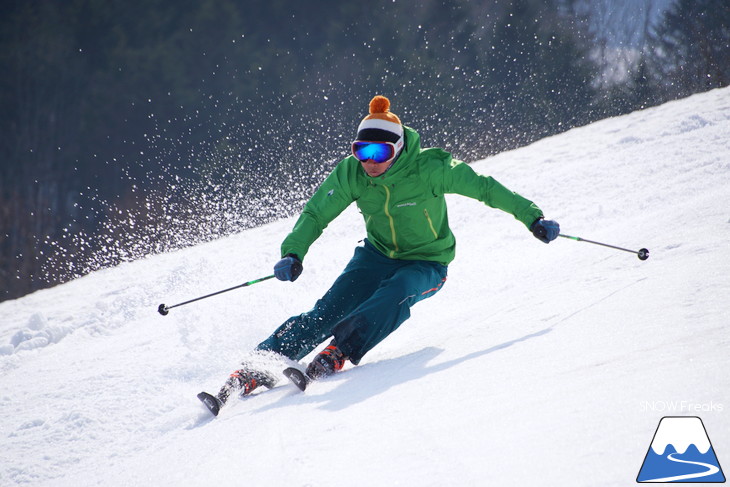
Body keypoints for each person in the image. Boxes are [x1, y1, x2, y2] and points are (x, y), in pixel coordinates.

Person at [201, 95, 559, 414]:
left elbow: (484, 188)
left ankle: (340, 350)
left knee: (394, 293)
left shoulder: (430, 169)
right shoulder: (352, 173)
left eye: (380, 153)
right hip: (375, 256)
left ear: (399, 148)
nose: (370, 162)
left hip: (427, 262)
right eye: (362, 151)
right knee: (328, 310)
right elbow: (316, 214)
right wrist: (293, 252)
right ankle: (257, 365)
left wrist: (532, 217)